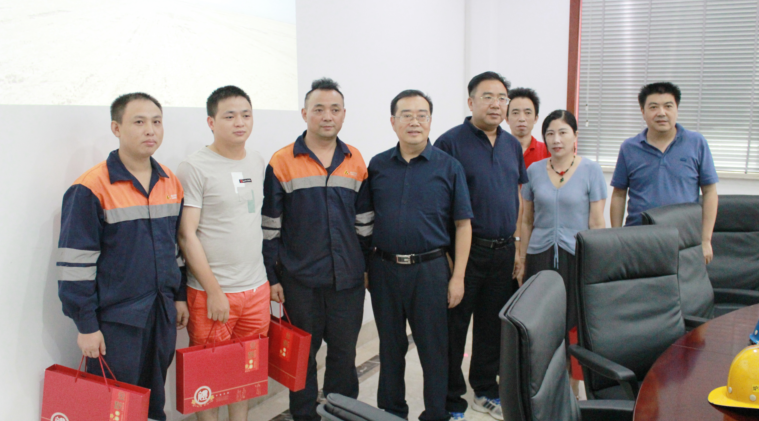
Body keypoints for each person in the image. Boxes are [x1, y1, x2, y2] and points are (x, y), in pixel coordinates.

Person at [57, 93, 186, 421]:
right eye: (139, 122)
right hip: (116, 320)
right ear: (116, 128)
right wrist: (86, 325)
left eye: (156, 122)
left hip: (161, 312)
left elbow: (174, 248)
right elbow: (75, 265)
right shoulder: (90, 187)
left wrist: (179, 297)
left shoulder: (169, 181)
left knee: (153, 401)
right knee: (113, 407)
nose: (150, 130)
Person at [261, 78, 372, 421]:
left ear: (344, 114)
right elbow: (270, 228)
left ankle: (342, 414)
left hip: (347, 281)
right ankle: (304, 416)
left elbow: (364, 223)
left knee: (343, 356)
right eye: (319, 109)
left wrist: (364, 267)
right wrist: (272, 277)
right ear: (304, 113)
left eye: (335, 109)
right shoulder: (282, 161)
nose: (327, 116)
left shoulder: (355, 159)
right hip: (300, 282)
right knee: (302, 358)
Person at [368, 89, 473, 421]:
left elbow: (463, 225)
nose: (414, 122)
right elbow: (366, 220)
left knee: (433, 349)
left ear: (430, 120)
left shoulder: (449, 167)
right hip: (384, 268)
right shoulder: (378, 165)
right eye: (406, 115)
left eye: (422, 115)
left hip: (430, 271)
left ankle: (436, 413)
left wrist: (458, 277)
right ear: (393, 122)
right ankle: (391, 412)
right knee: (390, 347)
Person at [435, 71, 527, 421]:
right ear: (470, 101)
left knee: (492, 327)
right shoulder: (449, 143)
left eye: (502, 98)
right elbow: (437, 205)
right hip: (465, 254)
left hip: (503, 251)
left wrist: (517, 247)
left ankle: (486, 390)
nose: (496, 104)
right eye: (487, 96)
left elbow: (517, 197)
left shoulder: (511, 145)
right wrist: (448, 258)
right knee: (454, 327)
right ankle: (450, 398)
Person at [176, 86, 270, 421]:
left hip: (256, 288)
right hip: (212, 293)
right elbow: (186, 235)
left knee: (245, 373)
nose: (239, 122)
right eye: (229, 116)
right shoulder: (194, 167)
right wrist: (214, 291)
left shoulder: (256, 160)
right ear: (211, 122)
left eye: (246, 115)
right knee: (208, 379)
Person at [517, 110, 606, 337]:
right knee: (539, 318)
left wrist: (597, 263)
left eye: (563, 132)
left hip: (576, 255)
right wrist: (523, 258)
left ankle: (568, 360)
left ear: (575, 135)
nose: (556, 139)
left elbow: (597, 223)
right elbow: (526, 220)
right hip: (539, 254)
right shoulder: (533, 171)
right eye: (550, 134)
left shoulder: (591, 170)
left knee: (572, 319)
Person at [610, 82, 719, 264]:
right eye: (653, 107)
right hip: (638, 237)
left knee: (683, 282)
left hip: (684, 238)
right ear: (642, 111)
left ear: (677, 109)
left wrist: (705, 240)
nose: (661, 113)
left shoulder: (696, 143)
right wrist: (616, 237)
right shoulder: (629, 148)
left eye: (668, 106)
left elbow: (710, 192)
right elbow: (619, 194)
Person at [507, 87, 551, 168]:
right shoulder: (497, 151)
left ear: (536, 118)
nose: (521, 119)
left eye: (527, 113)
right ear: (507, 119)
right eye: (515, 113)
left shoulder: (548, 152)